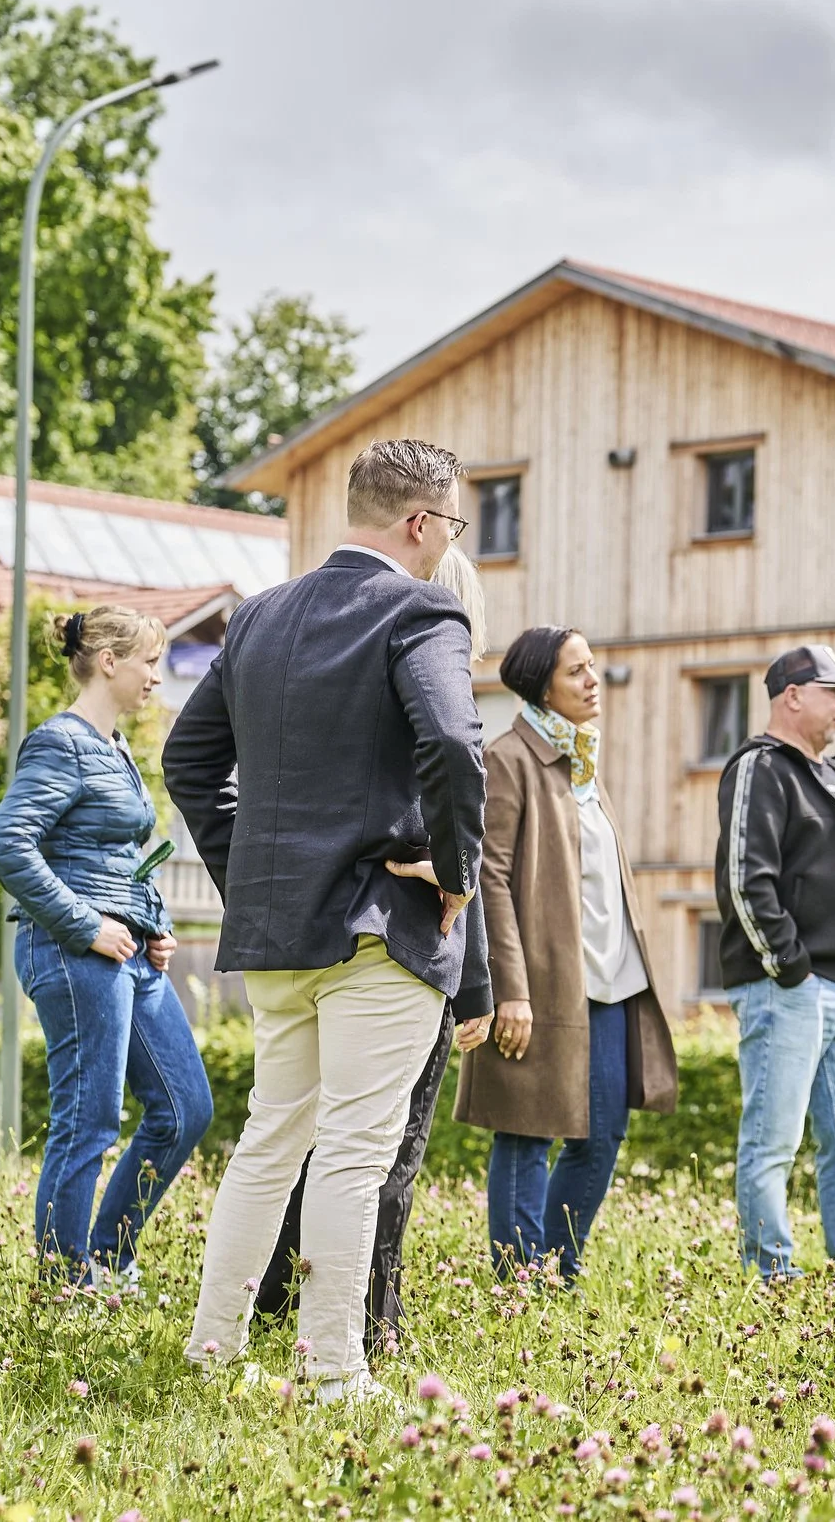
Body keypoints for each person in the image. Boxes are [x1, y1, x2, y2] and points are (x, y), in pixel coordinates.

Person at [166, 437, 493, 1403]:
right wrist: (456, 871)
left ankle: (213, 1347)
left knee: (271, 1140)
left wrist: (253, 875)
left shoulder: (258, 615)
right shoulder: (423, 607)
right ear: (422, 522)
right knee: (356, 1148)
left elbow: (189, 763)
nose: (449, 542)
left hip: (278, 930)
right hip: (377, 925)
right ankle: (335, 1369)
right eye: (453, 524)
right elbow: (453, 742)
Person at [256, 547, 496, 1352]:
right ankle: (359, 1328)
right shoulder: (432, 696)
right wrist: (474, 985)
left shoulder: (335, 678)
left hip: (311, 932)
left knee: (303, 1140)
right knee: (380, 1151)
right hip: (400, 944)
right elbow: (458, 875)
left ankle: (271, 1306)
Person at [0, 605, 211, 1287]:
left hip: (127, 950)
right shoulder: (61, 742)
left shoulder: (114, 748)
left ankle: (109, 1259)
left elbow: (119, 858)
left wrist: (154, 922)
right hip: (74, 950)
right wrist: (86, 925)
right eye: (149, 662)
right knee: (89, 1119)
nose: (156, 676)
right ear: (109, 661)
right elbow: (9, 844)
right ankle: (64, 1282)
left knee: (185, 1108)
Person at [454, 624, 683, 1282]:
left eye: (593, 666)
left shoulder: (582, 761)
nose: (592, 680)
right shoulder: (509, 759)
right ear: (540, 686)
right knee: (526, 1129)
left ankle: (554, 1268)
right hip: (543, 988)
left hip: (611, 983)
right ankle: (519, 1285)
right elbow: (489, 878)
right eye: (576, 670)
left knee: (602, 1134)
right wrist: (510, 989)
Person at [715, 644, 835, 1286]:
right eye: (833, 691)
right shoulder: (760, 768)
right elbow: (745, 879)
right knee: (774, 1141)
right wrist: (788, 967)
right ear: (792, 695)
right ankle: (771, 1276)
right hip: (786, 985)